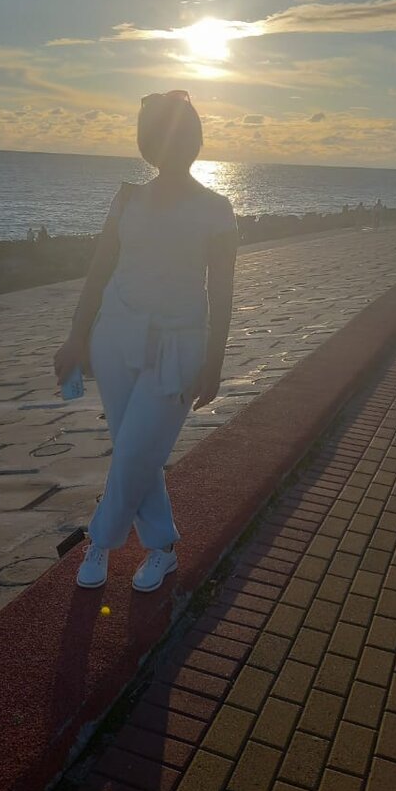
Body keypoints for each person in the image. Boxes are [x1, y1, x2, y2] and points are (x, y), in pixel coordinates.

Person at [53, 90, 238, 593]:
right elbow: (99, 271)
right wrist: (76, 336)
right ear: (147, 144)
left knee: (135, 452)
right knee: (137, 452)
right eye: (157, 137)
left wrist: (215, 361)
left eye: (178, 136)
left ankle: (99, 538)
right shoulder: (127, 198)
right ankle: (163, 549)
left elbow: (222, 292)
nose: (169, 146)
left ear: (194, 141)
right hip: (114, 337)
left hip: (178, 347)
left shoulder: (217, 209)